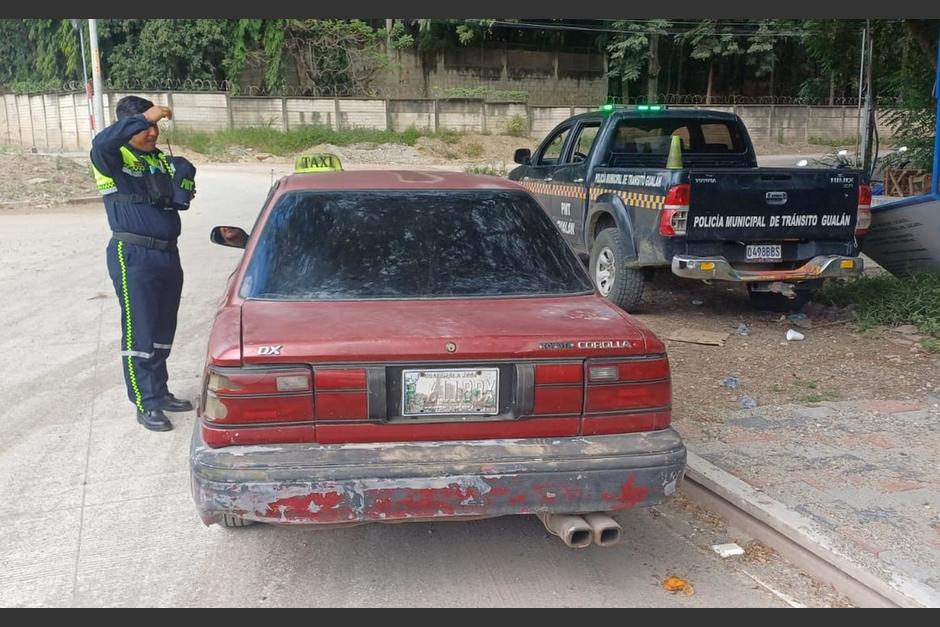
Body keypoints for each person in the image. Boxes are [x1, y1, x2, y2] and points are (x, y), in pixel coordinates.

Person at [90, 95, 196, 432]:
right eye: (145, 126)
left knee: (164, 329)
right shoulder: (111, 157)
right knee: (142, 331)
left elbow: (181, 177)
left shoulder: (161, 161)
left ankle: (160, 392)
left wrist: (185, 180)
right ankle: (145, 402)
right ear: (127, 126)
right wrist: (144, 116)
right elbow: (102, 140)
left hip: (168, 252)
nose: (152, 133)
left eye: (154, 126)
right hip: (132, 253)